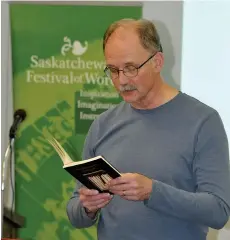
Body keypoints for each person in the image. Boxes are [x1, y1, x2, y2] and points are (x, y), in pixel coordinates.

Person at [66, 18, 230, 240]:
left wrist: (154, 191)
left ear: (158, 62)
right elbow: (75, 213)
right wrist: (88, 207)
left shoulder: (203, 121)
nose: (121, 80)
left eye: (131, 68)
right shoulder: (103, 125)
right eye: (113, 70)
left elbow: (218, 211)